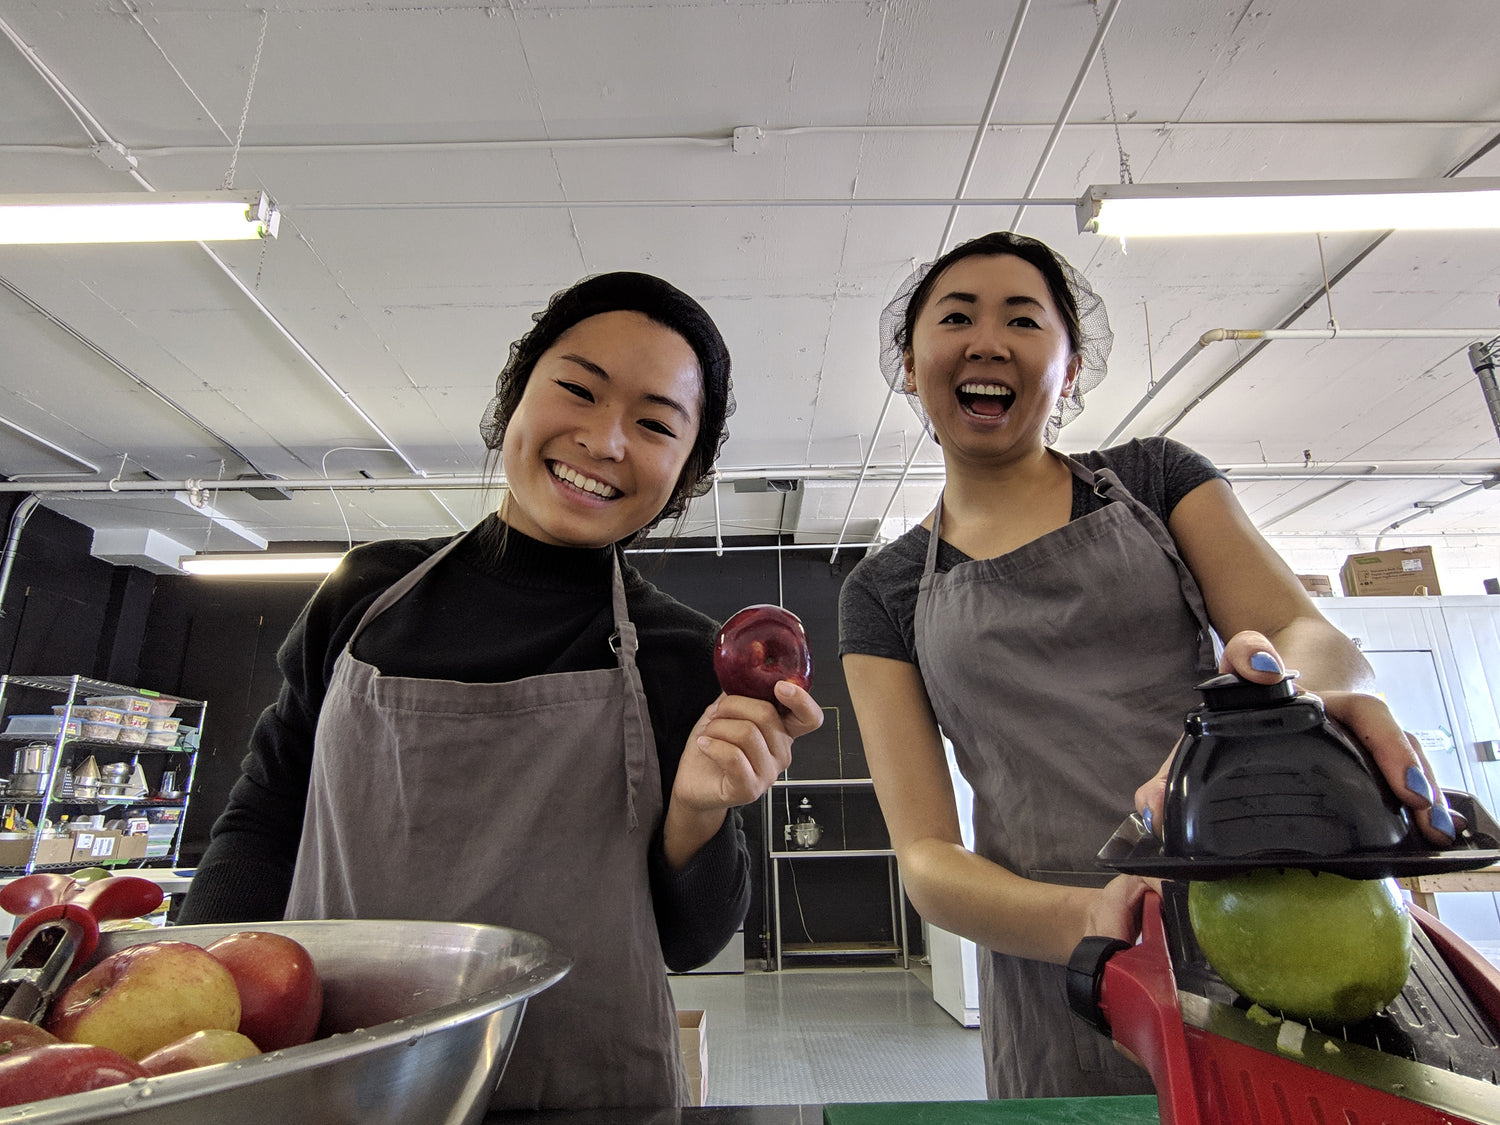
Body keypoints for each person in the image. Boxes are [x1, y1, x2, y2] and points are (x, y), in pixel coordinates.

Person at [179, 271, 823, 1110]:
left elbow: (698, 938)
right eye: (578, 391)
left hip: (585, 1093)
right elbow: (261, 824)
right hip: (338, 1080)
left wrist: (701, 814)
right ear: (514, 397)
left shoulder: (679, 654)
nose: (606, 440)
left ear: (686, 471)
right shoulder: (364, 596)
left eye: (655, 423)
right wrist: (188, 1002)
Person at [837, 232, 1457, 1100]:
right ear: (910, 364)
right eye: (956, 317)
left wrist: (1303, 690)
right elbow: (930, 857)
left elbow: (1303, 631)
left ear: (1072, 366)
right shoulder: (885, 589)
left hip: (1275, 901)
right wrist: (1096, 923)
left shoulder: (1157, 479)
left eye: (1023, 318)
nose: (988, 340)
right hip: (1070, 968)